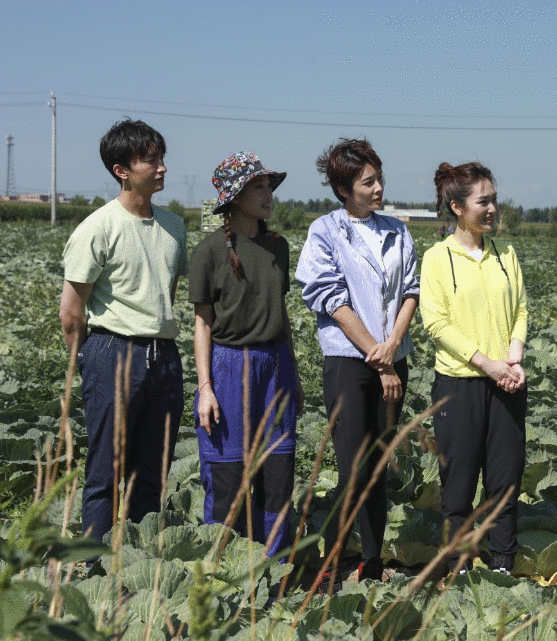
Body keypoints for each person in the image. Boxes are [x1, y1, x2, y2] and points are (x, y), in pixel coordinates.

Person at [296, 138, 419, 583]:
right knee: (352, 467)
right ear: (345, 189)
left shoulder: (397, 229)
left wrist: (394, 348)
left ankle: (371, 560)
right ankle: (335, 558)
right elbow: (332, 299)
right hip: (351, 362)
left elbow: (411, 291)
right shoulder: (325, 231)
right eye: (368, 182)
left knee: (378, 465)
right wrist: (379, 358)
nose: (378, 187)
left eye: (379, 178)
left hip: (392, 361)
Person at [59, 119, 188, 543]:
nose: (162, 167)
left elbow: (165, 291)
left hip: (164, 358)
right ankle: (96, 565)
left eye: (161, 158)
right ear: (122, 170)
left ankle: (139, 565)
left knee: (153, 473)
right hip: (112, 352)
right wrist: (87, 361)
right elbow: (72, 312)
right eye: (150, 160)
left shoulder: (173, 226)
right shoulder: (97, 227)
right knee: (105, 472)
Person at [190, 151, 303, 558]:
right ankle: (224, 577)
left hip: (275, 367)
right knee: (227, 474)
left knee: (277, 474)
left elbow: (281, 314)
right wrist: (205, 388)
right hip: (227, 366)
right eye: (258, 185)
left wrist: (294, 377)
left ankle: (273, 574)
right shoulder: (209, 252)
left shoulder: (278, 247)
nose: (268, 193)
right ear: (235, 196)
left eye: (268, 185)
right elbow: (202, 325)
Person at [421, 161, 527, 575]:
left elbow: (520, 308)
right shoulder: (437, 258)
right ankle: (458, 565)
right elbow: (436, 323)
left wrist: (513, 356)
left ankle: (502, 564)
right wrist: (488, 364)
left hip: (507, 384)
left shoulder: (506, 254)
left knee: (505, 481)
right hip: (460, 384)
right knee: (459, 483)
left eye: (494, 200)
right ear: (457, 206)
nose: (492, 208)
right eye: (484, 201)